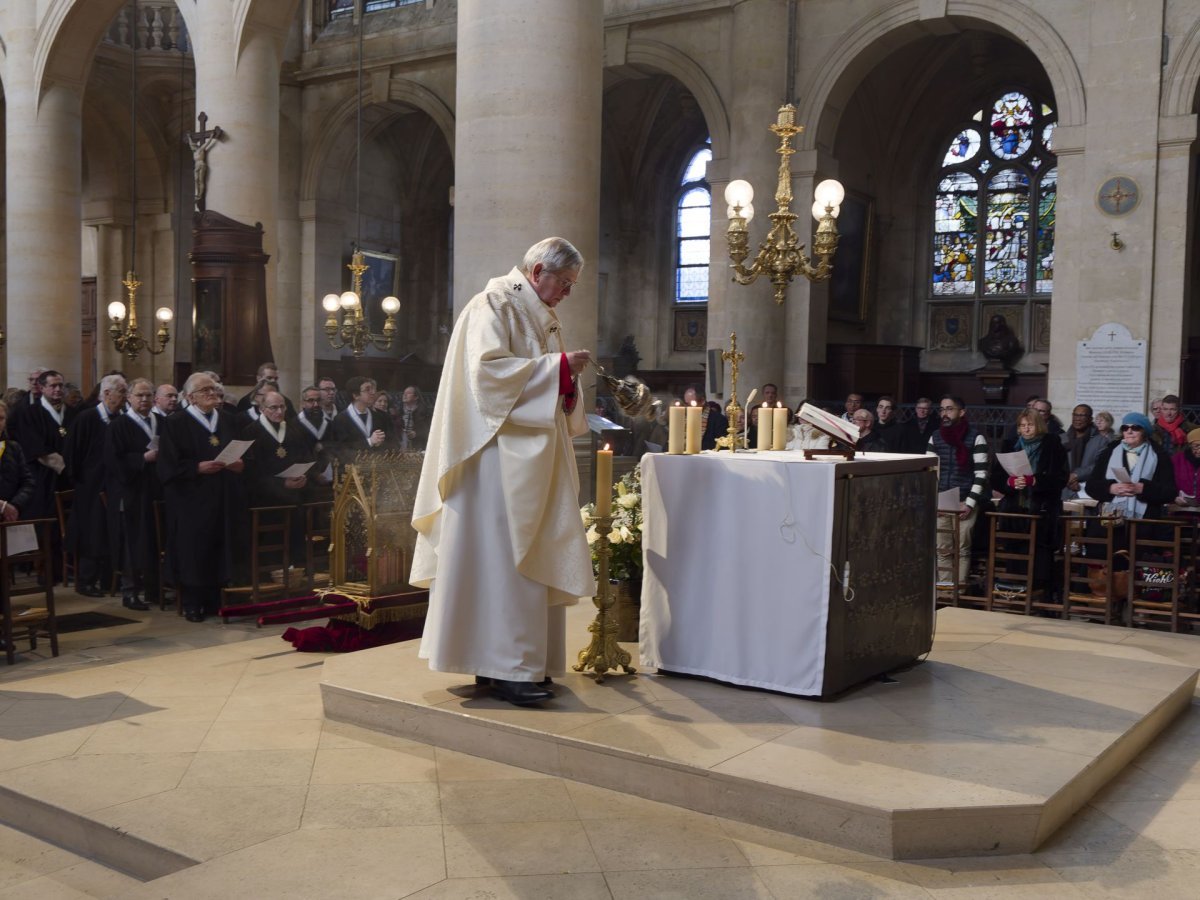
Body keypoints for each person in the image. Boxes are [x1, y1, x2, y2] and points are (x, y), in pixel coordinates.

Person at [412, 236, 594, 707]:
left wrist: (566, 382)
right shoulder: (492, 304)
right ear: (538, 273)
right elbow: (487, 376)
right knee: (500, 559)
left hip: (529, 459)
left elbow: (545, 386)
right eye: (565, 283)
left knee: (524, 555)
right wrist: (556, 370)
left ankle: (517, 663)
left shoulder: (542, 316)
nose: (567, 294)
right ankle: (504, 666)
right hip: (493, 462)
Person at [158, 372, 248, 622]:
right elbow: (167, 466)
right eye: (204, 390)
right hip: (191, 499)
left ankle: (214, 599)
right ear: (190, 397)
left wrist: (240, 465)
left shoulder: (229, 420)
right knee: (194, 550)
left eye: (213, 389)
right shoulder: (176, 423)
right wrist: (197, 468)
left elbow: (242, 453)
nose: (211, 393)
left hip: (223, 496)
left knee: (219, 546)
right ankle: (192, 602)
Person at [990, 409, 1068, 597]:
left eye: (1030, 425)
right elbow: (995, 477)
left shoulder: (1052, 445)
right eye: (1022, 426)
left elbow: (1061, 478)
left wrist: (1035, 481)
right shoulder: (1010, 445)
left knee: (1039, 559)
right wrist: (1010, 482)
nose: (1026, 429)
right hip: (1014, 510)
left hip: (1042, 510)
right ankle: (1014, 593)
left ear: (1039, 426)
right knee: (1015, 554)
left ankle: (1040, 596)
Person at [64, 374, 127, 599]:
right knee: (92, 533)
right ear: (107, 393)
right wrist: (85, 481)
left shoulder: (121, 419)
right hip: (90, 488)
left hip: (115, 486)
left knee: (112, 532)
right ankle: (86, 581)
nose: (124, 397)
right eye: (122, 392)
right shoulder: (86, 418)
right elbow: (73, 454)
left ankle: (111, 580)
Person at [105, 378, 162, 610]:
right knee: (132, 542)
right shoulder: (118, 426)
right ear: (129, 397)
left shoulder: (162, 422)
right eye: (139, 395)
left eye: (148, 395)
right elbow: (112, 461)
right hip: (131, 492)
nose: (144, 399)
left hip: (157, 489)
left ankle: (154, 588)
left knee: (154, 539)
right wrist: (141, 459)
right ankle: (130, 591)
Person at [242, 390, 314, 560]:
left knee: (295, 540)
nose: (279, 412)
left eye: (283, 407)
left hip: (293, 497)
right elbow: (251, 472)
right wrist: (282, 484)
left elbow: (307, 457)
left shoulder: (295, 429)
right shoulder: (250, 432)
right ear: (261, 409)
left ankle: (295, 572)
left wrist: (303, 475)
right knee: (271, 546)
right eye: (273, 408)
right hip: (265, 501)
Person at [931, 395, 989, 587]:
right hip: (942, 500)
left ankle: (960, 591)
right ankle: (946, 591)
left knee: (963, 549)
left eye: (949, 409)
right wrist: (935, 501)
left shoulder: (975, 437)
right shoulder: (936, 436)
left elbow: (981, 473)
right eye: (942, 409)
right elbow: (930, 471)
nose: (944, 413)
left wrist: (970, 503)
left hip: (965, 500)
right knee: (942, 549)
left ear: (961, 412)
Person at [1086, 412, 1177, 521]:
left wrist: (1144, 489)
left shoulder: (1159, 455)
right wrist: (1110, 488)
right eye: (1125, 428)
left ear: (1144, 431)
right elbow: (1091, 486)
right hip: (1110, 521)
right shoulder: (1109, 452)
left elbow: (1170, 492)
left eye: (1135, 427)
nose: (1129, 431)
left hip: (1145, 522)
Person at [329, 377, 394, 461]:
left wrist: (382, 444)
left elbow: (391, 441)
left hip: (377, 466)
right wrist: (369, 442)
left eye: (373, 389)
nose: (373, 392)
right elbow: (342, 449)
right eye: (368, 390)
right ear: (356, 395)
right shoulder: (341, 419)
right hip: (352, 469)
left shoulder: (380, 416)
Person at [0, 400, 35, 528]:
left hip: (12, 516)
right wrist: (2, 506)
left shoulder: (14, 447)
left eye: (1, 418)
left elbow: (27, 482)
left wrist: (15, 505)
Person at [1062, 404, 1108, 499]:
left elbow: (1100, 465)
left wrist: (1076, 475)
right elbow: (1055, 464)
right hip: (1062, 490)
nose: (1078, 419)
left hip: (1085, 491)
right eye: (1075, 415)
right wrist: (1066, 478)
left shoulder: (1101, 441)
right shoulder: (1062, 439)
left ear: (1090, 419)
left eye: (1082, 415)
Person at [682, 385, 726, 450]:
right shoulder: (682, 418)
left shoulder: (719, 420)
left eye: (691, 404)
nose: (688, 407)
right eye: (686, 404)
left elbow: (721, 445)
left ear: (702, 401)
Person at [397, 385, 430, 451]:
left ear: (416, 397)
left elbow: (428, 428)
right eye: (404, 393)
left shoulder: (423, 411)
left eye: (408, 393)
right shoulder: (399, 410)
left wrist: (416, 433)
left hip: (418, 445)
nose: (404, 395)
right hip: (401, 445)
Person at [1172, 429, 1200, 505]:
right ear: (1190, 446)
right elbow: (1167, 483)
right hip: (1179, 511)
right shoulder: (1177, 460)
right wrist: (1174, 497)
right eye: (1196, 446)